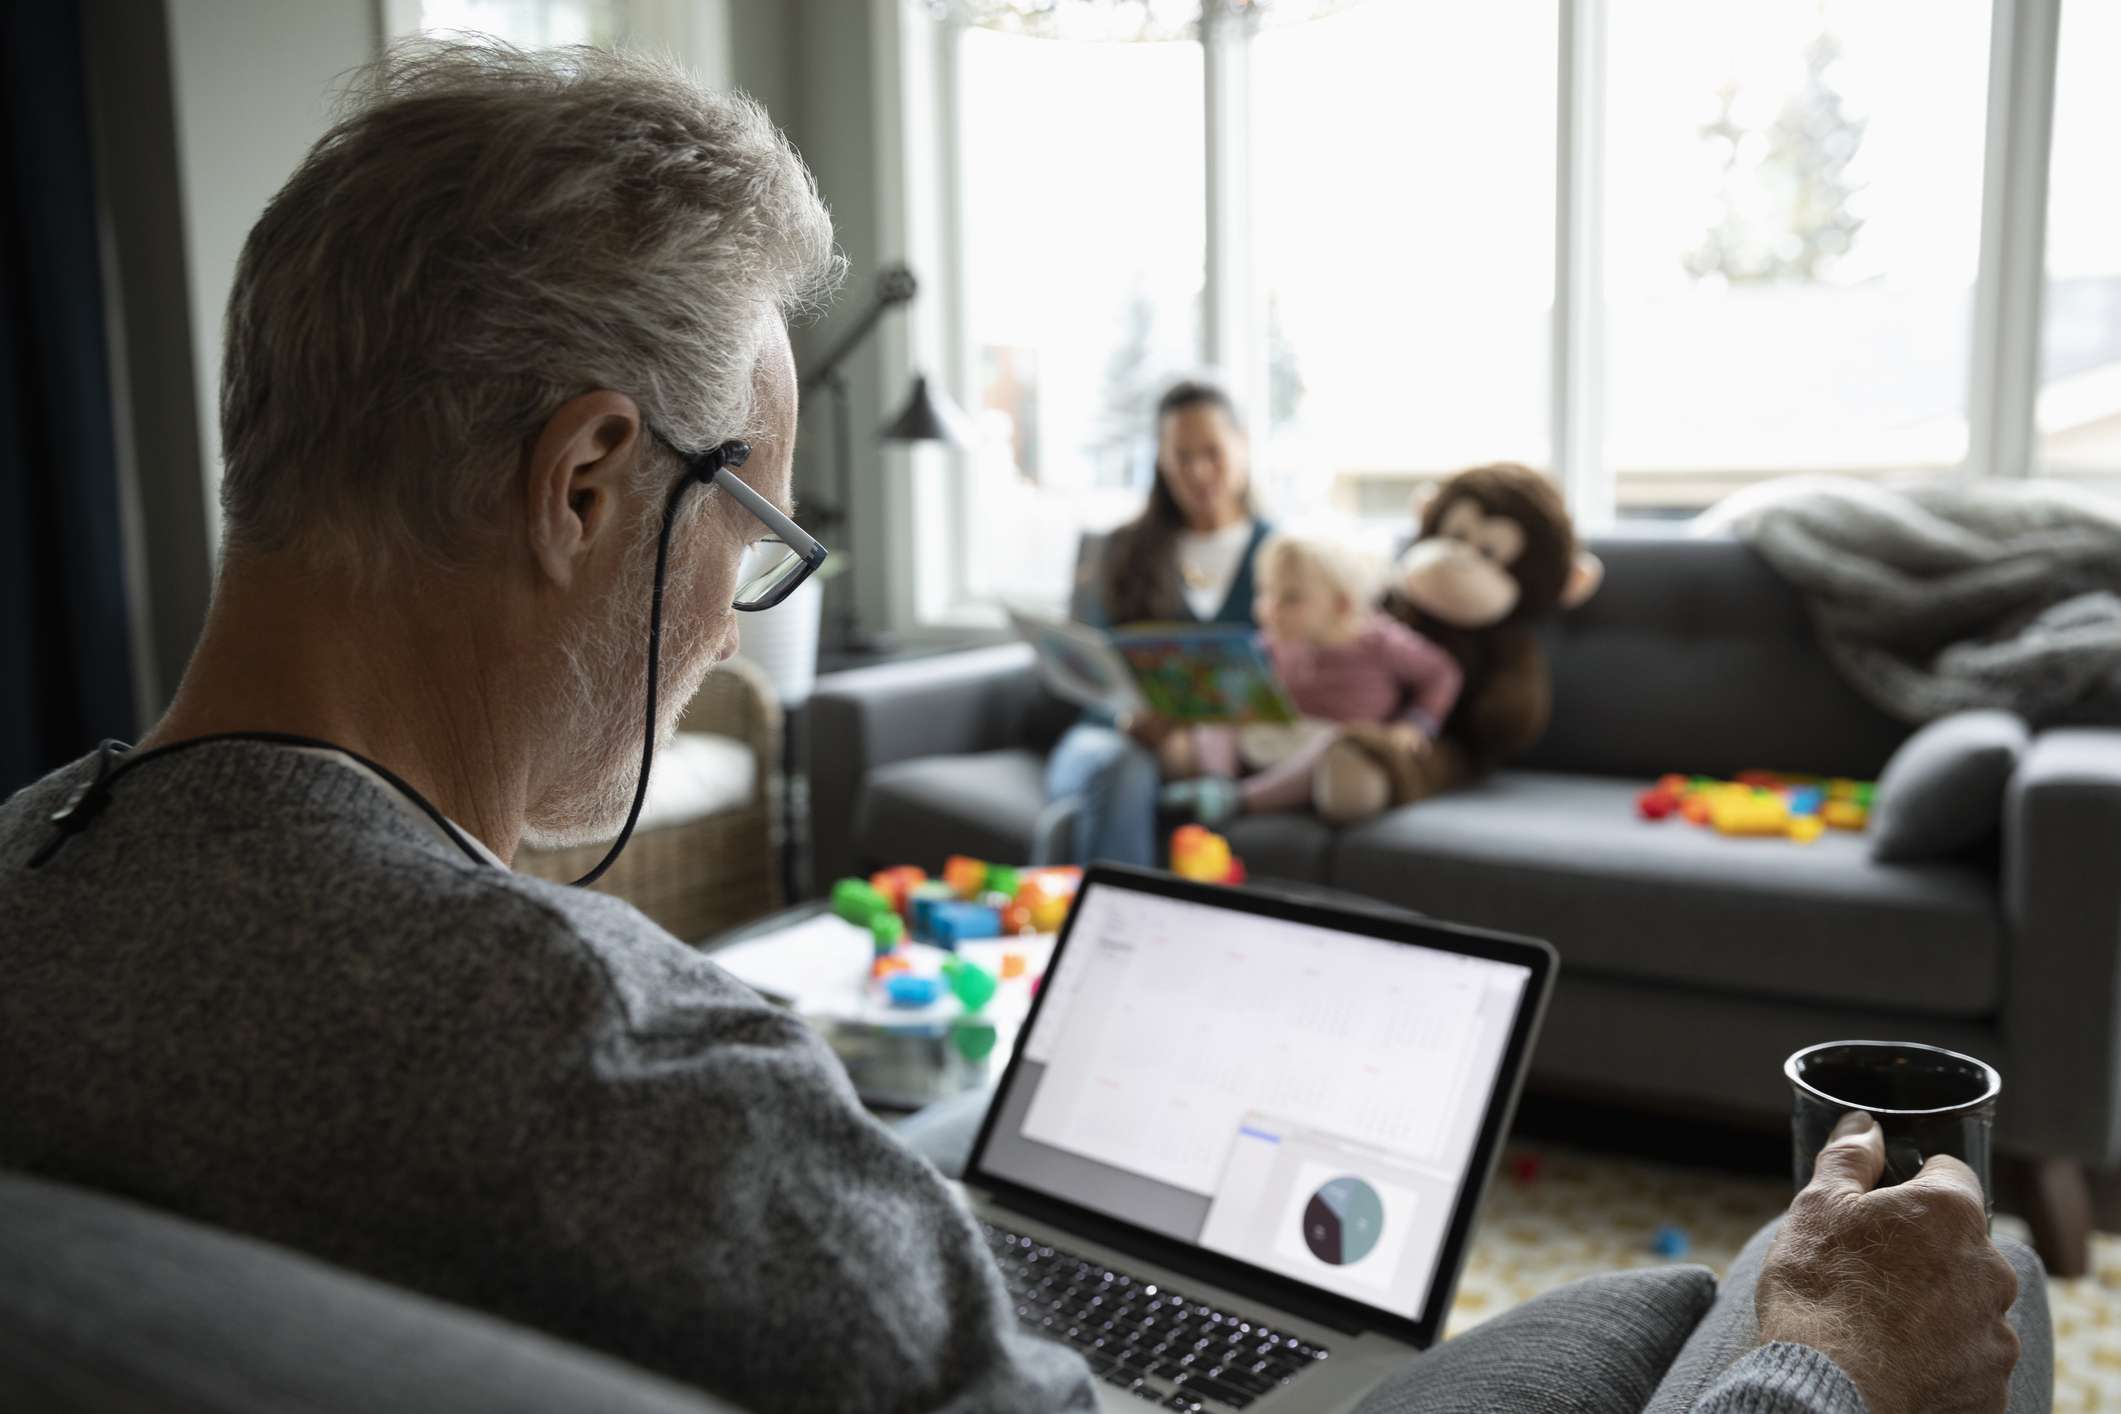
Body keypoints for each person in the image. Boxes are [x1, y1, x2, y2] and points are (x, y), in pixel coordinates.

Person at [0, 40, 2037, 1414]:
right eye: (757, 531)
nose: (723, 634)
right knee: (1867, 1282)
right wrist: (1819, 1368)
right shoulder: (631, 1074)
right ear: (585, 483)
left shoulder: (30, 879)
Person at [1041, 380, 1271, 867]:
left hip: (1221, 748)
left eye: (1212, 452)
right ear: (1161, 462)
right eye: (1180, 457)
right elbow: (1093, 669)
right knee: (1121, 769)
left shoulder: (1281, 557)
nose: (1198, 472)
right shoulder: (1125, 548)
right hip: (1114, 736)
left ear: (1243, 444)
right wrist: (1129, 719)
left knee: (1090, 809)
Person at [1158, 529, 1462, 826]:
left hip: (1327, 749)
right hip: (1277, 735)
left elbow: (1442, 673)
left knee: (1340, 745)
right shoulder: (1275, 640)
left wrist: (1416, 724)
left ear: (1340, 605)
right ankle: (1216, 783)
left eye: (1290, 598)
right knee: (1219, 713)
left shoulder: (1380, 642)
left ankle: (1242, 799)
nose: (1269, 608)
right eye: (1264, 592)